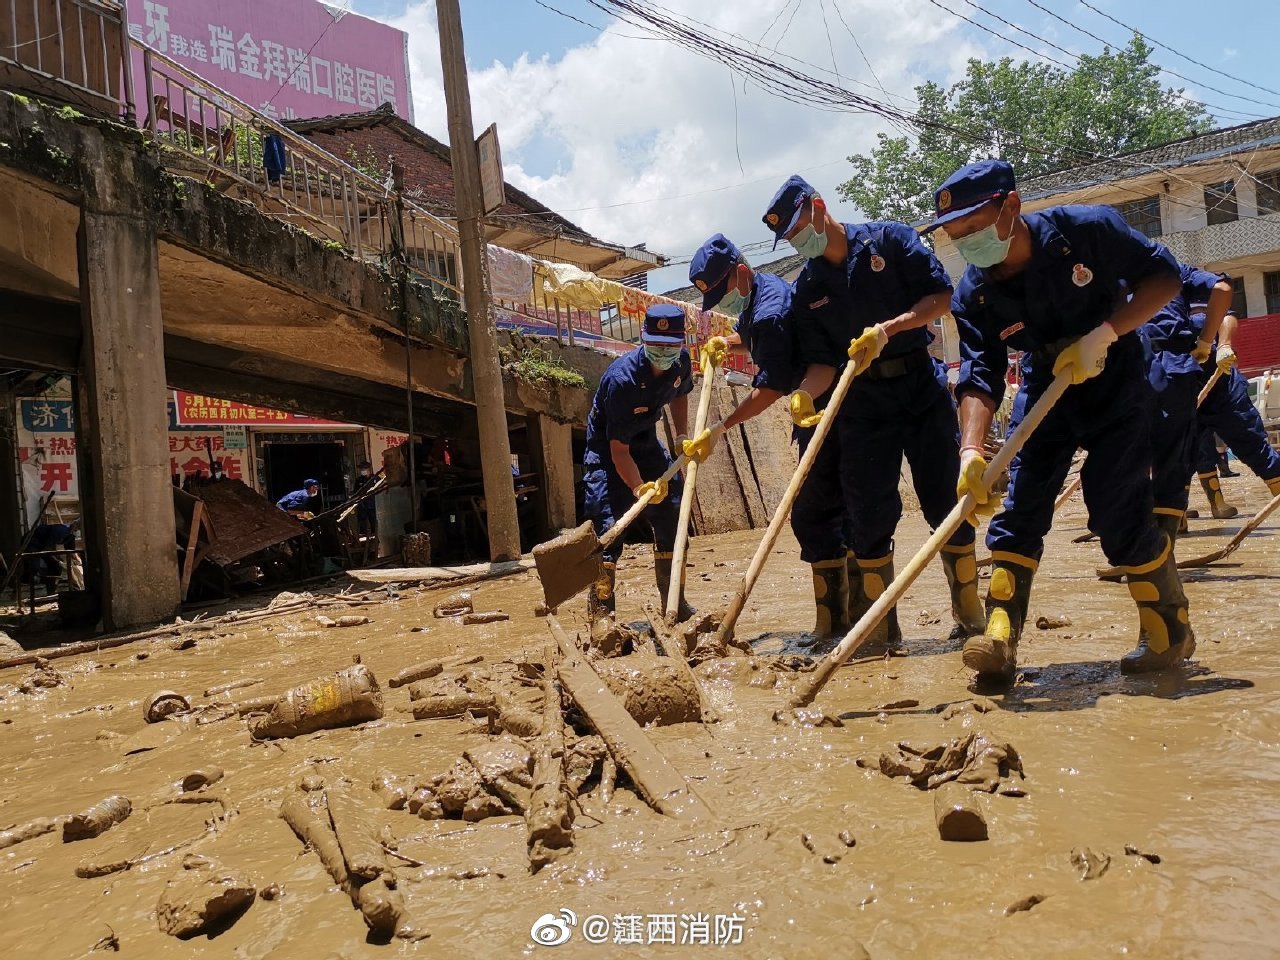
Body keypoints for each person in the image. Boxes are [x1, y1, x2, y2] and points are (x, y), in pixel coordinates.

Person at [931, 158, 1191, 679]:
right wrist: (971, 451)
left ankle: (1169, 632)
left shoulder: (1088, 229)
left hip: (1116, 376)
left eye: (975, 230)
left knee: (1117, 510)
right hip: (1044, 384)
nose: (968, 246)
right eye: (957, 237)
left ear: (1012, 207)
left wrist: (1106, 334)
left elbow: (1164, 279)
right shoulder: (974, 292)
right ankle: (999, 637)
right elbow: (978, 375)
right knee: (1020, 509)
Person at [760, 174, 985, 652]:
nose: (801, 241)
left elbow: (942, 298)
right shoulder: (808, 288)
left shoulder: (891, 239)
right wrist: (803, 393)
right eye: (791, 238)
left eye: (801, 227)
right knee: (867, 514)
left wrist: (889, 329)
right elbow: (823, 362)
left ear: (819, 207)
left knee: (945, 500)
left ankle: (969, 618)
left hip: (920, 390)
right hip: (862, 405)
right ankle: (882, 634)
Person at [686, 232, 854, 642]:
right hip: (817, 405)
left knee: (813, 515)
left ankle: (834, 624)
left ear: (741, 273)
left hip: (826, 408)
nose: (724, 307)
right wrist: (726, 342)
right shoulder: (760, 294)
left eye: (723, 294)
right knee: (842, 513)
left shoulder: (769, 312)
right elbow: (754, 334)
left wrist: (719, 429)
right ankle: (850, 618)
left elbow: (770, 389)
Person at [582, 304, 695, 623]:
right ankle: (601, 616)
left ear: (680, 344)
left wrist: (681, 435)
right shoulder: (622, 381)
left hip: (645, 441)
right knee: (606, 526)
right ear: (644, 341)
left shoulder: (681, 363)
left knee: (672, 513)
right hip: (607, 449)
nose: (663, 353)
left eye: (670, 347)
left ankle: (675, 603)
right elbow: (618, 451)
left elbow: (680, 393)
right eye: (656, 346)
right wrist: (638, 487)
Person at [1139, 263, 1231, 545]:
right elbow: (1223, 289)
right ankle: (1161, 554)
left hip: (1129, 368)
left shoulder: (1111, 267)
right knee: (1173, 459)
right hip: (1177, 370)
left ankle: (1138, 551)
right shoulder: (1174, 268)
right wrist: (1206, 343)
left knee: (1131, 458)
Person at [1188, 311, 1280, 518]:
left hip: (1222, 388)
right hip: (1182, 395)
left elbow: (1224, 317)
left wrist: (1224, 345)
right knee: (1182, 456)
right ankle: (1185, 514)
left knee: (1252, 443)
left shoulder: (1192, 302)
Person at [353, 461, 379, 536]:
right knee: (362, 524)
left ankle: (375, 537)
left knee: (374, 522)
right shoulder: (359, 480)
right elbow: (356, 493)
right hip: (362, 505)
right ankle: (363, 537)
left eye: (363, 469)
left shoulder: (375, 478)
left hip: (372, 505)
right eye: (361, 469)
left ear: (368, 469)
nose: (362, 471)